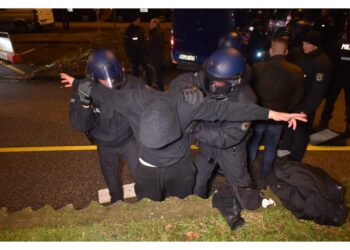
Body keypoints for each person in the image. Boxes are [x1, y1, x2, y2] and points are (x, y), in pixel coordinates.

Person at [72, 62, 307, 202]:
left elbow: (231, 109)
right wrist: (76, 83)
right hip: (146, 168)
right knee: (148, 202)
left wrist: (276, 114)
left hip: (179, 166)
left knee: (184, 199)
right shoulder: (133, 100)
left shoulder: (189, 106)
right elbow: (97, 90)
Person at [169, 46, 257, 199]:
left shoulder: (246, 101)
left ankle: (247, 209)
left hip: (231, 150)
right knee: (196, 182)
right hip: (206, 145)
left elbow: (227, 137)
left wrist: (196, 128)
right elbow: (183, 80)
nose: (213, 85)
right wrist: (184, 86)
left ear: (235, 81)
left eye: (219, 83)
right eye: (211, 80)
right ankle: (197, 212)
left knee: (240, 185)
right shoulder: (212, 75)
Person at [61, 49, 145, 204]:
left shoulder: (134, 84)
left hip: (129, 139)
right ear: (93, 78)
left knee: (141, 176)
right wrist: (85, 105)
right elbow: (80, 125)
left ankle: (145, 202)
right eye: (104, 81)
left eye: (113, 79)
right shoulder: (85, 89)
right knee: (111, 180)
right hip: (105, 143)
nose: (110, 84)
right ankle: (117, 203)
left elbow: (152, 105)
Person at [247, 38, 305, 189]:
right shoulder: (297, 72)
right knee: (271, 145)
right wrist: (287, 111)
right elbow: (298, 98)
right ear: (286, 52)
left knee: (253, 142)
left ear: (270, 51)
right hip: (280, 116)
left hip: (259, 114)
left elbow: (249, 92)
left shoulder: (258, 67)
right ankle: (265, 173)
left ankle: (247, 170)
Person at [283, 31, 332, 161]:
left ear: (315, 46)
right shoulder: (303, 56)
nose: (304, 46)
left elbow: (318, 91)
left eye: (308, 44)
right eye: (304, 43)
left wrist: (306, 110)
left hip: (306, 102)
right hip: (295, 99)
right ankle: (288, 145)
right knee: (290, 124)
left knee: (302, 131)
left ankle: (296, 155)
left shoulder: (322, 63)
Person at [318, 17, 350, 134]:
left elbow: (331, 60)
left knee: (330, 101)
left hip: (337, 77)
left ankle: (324, 122)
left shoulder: (340, 43)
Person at [124, 15, 151, 84]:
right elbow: (127, 45)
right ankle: (134, 86)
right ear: (134, 20)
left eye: (139, 19)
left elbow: (144, 40)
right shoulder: (128, 30)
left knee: (147, 69)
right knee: (135, 71)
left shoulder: (140, 29)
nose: (139, 21)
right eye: (138, 19)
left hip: (142, 54)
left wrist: (146, 51)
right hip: (134, 55)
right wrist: (130, 56)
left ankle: (148, 84)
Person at [147, 18, 165, 91]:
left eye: (151, 23)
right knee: (158, 78)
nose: (149, 25)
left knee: (157, 79)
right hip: (157, 59)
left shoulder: (155, 35)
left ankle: (160, 95)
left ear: (155, 24)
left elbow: (149, 46)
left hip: (155, 60)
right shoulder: (157, 33)